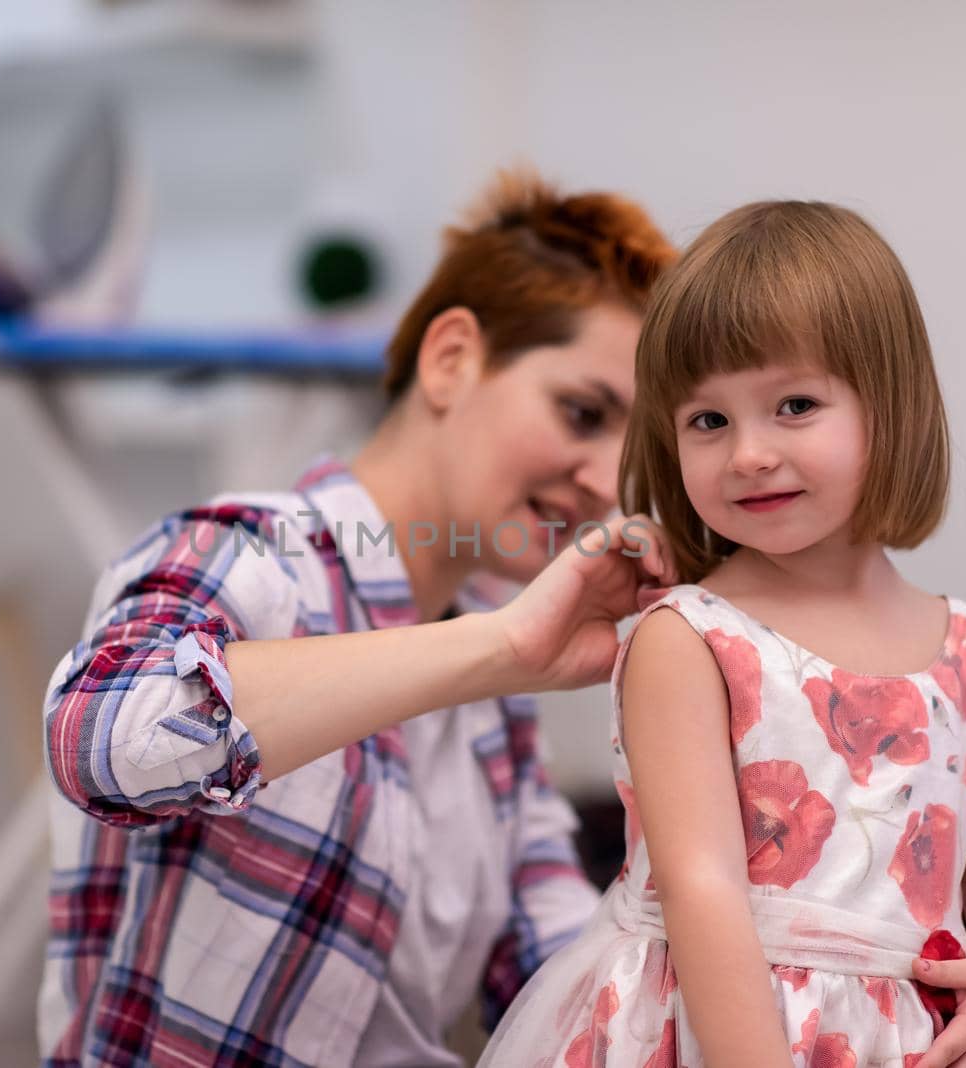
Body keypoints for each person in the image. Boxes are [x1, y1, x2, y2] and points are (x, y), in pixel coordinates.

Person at [38, 170, 680, 1066]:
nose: (609, 482)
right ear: (451, 358)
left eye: (638, 451)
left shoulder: (496, 702)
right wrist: (497, 647)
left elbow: (558, 982)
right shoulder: (250, 558)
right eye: (582, 412)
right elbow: (97, 735)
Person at [478, 201, 966, 1068]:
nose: (747, 453)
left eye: (793, 405)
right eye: (708, 421)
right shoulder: (693, 639)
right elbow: (702, 886)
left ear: (890, 409)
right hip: (716, 1032)